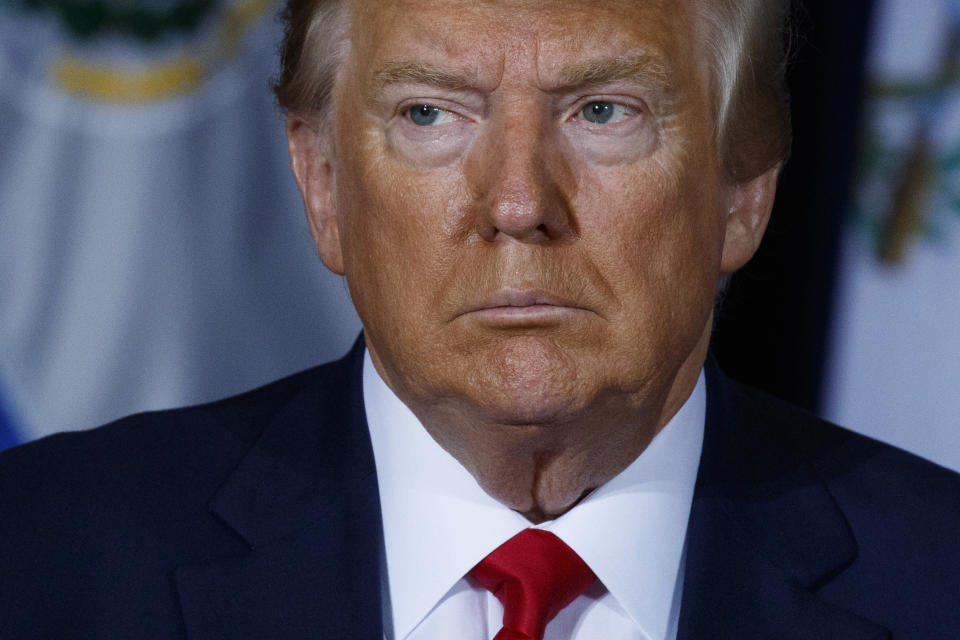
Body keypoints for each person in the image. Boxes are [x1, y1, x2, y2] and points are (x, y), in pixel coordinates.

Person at [1, 1, 958, 638]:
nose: (516, 201)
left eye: (602, 111)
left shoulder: (937, 582)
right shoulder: (43, 561)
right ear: (324, 185)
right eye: (429, 114)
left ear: (744, 189)